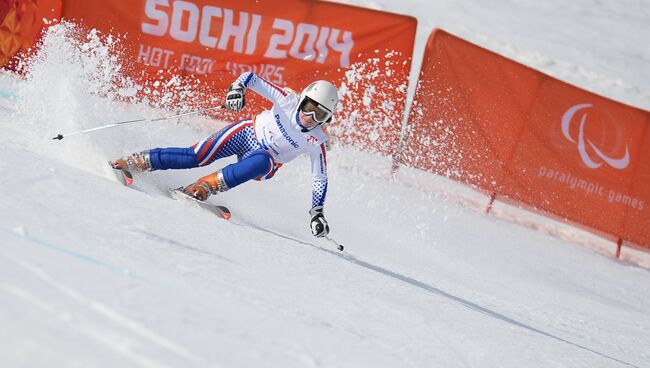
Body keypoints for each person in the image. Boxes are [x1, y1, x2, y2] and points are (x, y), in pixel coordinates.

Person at [110, 72, 338, 238]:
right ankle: (135, 161)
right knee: (196, 156)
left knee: (263, 160)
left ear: (326, 119)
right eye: (309, 106)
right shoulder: (287, 101)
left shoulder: (316, 140)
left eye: (319, 114)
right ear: (303, 99)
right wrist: (237, 90)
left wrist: (317, 213)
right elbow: (251, 77)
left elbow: (320, 178)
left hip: (263, 161)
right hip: (247, 132)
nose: (310, 116)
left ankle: (203, 187)